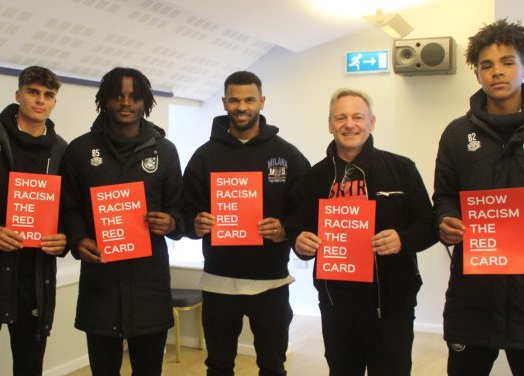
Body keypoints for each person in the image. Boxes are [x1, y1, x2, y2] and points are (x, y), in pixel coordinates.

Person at [287, 88, 436, 375]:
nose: (349, 124)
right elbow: (296, 224)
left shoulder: (401, 169)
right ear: (330, 124)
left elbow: (429, 225)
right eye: (340, 118)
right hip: (336, 305)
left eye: (357, 116)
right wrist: (298, 240)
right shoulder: (314, 177)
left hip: (392, 305)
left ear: (372, 122)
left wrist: (402, 240)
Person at [183, 71, 310, 376]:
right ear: (225, 102)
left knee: (272, 365)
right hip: (218, 282)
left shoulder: (287, 154)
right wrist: (195, 223)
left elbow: (305, 212)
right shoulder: (204, 156)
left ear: (262, 102)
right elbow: (184, 211)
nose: (242, 106)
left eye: (249, 99)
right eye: (235, 100)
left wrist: (284, 231)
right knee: (218, 366)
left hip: (271, 282)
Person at [60, 67, 183, 375]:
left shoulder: (165, 152)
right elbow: (69, 207)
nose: (126, 103)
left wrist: (170, 223)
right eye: (118, 96)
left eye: (134, 97)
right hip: (100, 287)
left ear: (145, 102)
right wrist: (77, 240)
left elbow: (181, 209)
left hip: (149, 287)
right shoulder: (79, 150)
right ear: (105, 100)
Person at [0, 66, 68, 375]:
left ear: (54, 102)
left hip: (34, 280)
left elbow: (69, 211)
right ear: (18, 95)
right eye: (33, 92)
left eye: (48, 95)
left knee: (30, 367)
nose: (40, 100)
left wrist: (65, 238)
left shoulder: (62, 151)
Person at [433, 19, 524, 375]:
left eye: (507, 61)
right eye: (486, 65)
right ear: (477, 74)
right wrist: (445, 221)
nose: (496, 72)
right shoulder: (457, 134)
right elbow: (443, 196)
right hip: (473, 297)